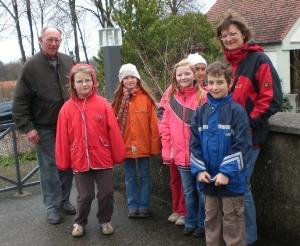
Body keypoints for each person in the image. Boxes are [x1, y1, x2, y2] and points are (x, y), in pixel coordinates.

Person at [216, 11, 283, 245]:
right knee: (233, 186)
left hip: (249, 137)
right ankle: (235, 237)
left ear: (243, 34)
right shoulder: (227, 64)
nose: (228, 38)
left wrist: (246, 125)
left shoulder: (259, 60)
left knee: (240, 186)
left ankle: (248, 239)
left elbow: (272, 99)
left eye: (233, 33)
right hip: (227, 136)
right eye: (224, 35)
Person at [12, 26, 76, 224]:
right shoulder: (31, 67)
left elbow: (78, 88)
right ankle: (52, 206)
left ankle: (64, 200)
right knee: (49, 167)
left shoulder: (68, 61)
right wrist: (28, 127)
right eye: (50, 40)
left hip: (68, 125)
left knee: (67, 166)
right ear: (41, 40)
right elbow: (20, 101)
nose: (53, 43)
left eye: (57, 40)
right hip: (44, 126)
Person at [55, 63, 125, 237]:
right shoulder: (66, 108)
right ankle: (79, 222)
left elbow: (114, 132)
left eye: (88, 80)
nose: (84, 84)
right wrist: (63, 160)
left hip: (102, 157)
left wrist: (118, 154)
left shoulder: (103, 104)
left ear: (94, 82)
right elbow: (62, 137)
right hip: (79, 159)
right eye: (80, 81)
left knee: (107, 193)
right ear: (73, 84)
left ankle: (105, 220)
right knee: (85, 195)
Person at [190, 60, 252, 246]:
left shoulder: (237, 112)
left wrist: (226, 172)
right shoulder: (200, 112)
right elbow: (194, 145)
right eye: (211, 82)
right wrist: (199, 170)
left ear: (229, 82)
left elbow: (242, 145)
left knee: (233, 222)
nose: (214, 87)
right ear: (205, 83)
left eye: (219, 82)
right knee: (211, 220)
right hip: (208, 179)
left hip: (231, 181)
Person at [157, 53, 207, 229]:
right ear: (175, 77)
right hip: (179, 153)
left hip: (199, 155)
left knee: (201, 191)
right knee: (186, 189)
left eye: (188, 73)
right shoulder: (172, 97)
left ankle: (201, 224)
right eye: (180, 74)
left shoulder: (204, 96)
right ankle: (189, 219)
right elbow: (164, 123)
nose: (184, 77)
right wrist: (167, 149)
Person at [112, 63, 161, 218]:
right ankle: (133, 207)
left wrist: (154, 147)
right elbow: (113, 124)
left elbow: (153, 124)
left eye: (132, 77)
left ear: (138, 79)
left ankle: (144, 206)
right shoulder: (118, 100)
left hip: (143, 144)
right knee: (130, 177)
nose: (129, 80)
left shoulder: (146, 99)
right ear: (121, 81)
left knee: (145, 176)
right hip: (125, 144)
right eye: (126, 78)